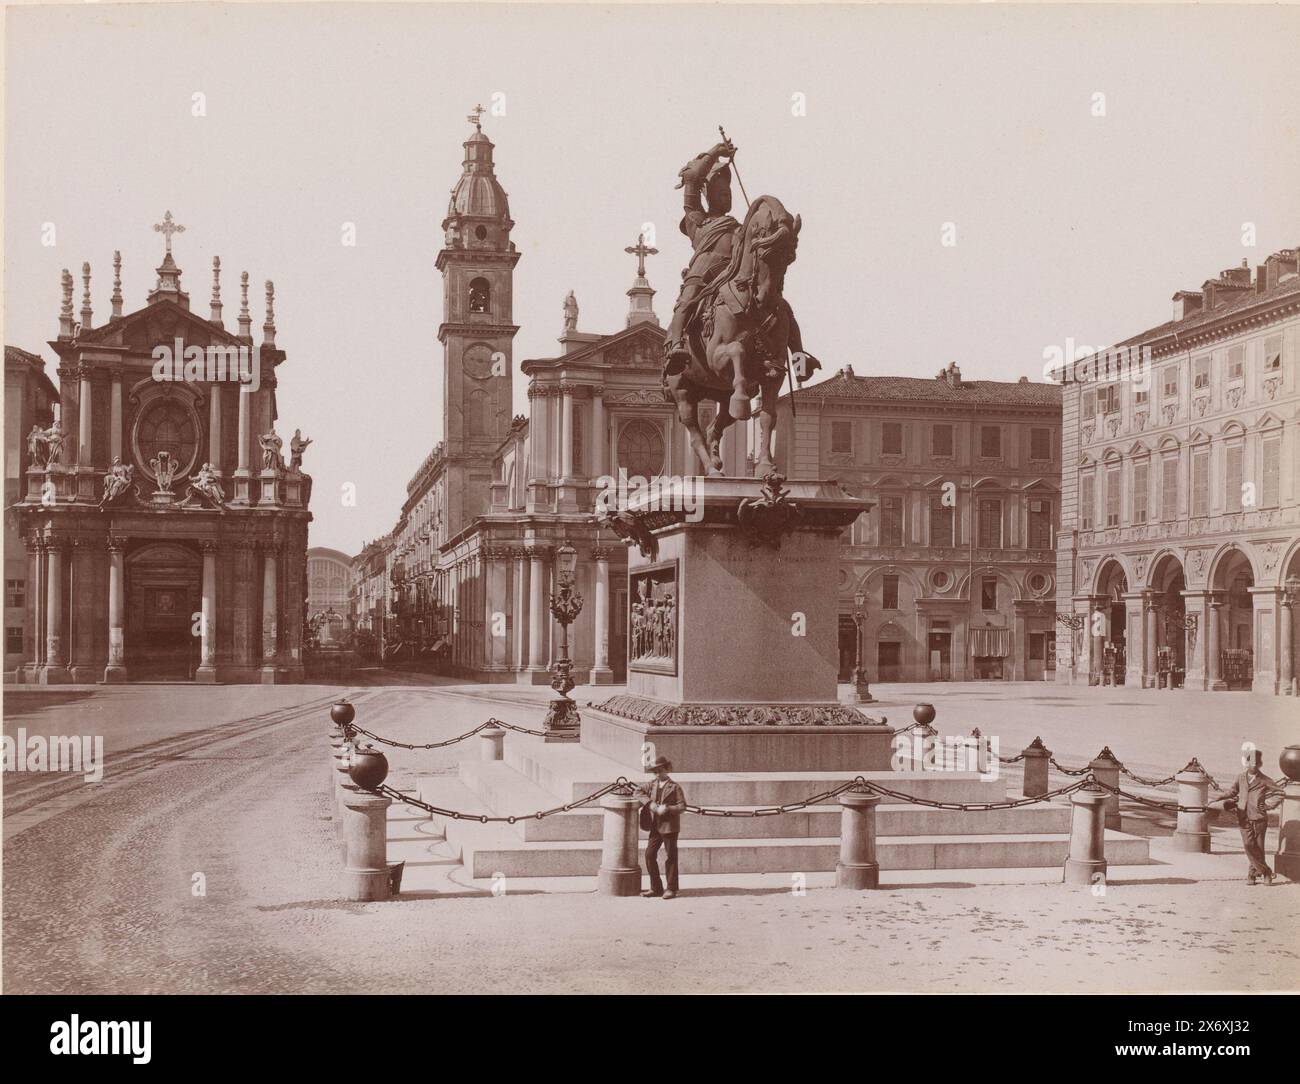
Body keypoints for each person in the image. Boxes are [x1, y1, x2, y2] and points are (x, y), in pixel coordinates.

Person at [1216, 748, 1286, 885]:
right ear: (1246, 763)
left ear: (1260, 764)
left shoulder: (1264, 780)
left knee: (1258, 848)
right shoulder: (1240, 777)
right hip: (1243, 816)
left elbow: (1280, 793)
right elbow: (1232, 791)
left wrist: (1268, 805)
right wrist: (1220, 796)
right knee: (1249, 845)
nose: (1253, 765)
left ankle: (1252, 874)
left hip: (1259, 818)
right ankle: (1266, 872)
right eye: (1250, 762)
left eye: (1256, 763)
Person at [637, 755, 687, 899]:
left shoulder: (675, 787)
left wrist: (668, 809)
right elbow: (637, 791)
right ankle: (656, 888)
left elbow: (682, 806)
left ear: (667, 770)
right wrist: (650, 803)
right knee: (649, 855)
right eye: (655, 772)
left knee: (671, 857)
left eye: (660, 771)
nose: (658, 774)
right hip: (655, 826)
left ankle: (671, 888)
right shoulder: (651, 784)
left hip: (670, 827)